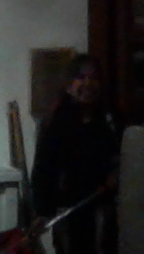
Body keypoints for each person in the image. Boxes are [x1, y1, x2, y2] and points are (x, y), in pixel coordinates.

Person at [30, 54, 118, 254]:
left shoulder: (110, 120)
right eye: (81, 77)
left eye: (93, 78)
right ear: (69, 85)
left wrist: (115, 174)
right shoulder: (55, 124)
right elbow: (43, 170)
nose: (88, 83)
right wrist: (42, 211)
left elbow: (118, 157)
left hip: (103, 210)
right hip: (68, 211)